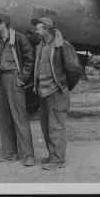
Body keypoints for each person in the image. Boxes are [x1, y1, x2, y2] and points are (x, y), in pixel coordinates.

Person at [31, 17, 81, 170]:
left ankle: (58, 160)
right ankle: (53, 156)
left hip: (56, 93)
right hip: (43, 93)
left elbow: (74, 69)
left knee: (56, 128)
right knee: (46, 127)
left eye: (38, 28)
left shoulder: (62, 46)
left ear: (46, 28)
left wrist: (64, 86)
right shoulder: (41, 46)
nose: (35, 31)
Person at [0, 14, 35, 167]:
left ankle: (28, 155)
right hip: (3, 80)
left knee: (19, 118)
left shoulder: (20, 38)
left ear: (3, 24)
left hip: (15, 78)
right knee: (3, 118)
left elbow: (30, 58)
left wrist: (22, 78)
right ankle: (10, 153)